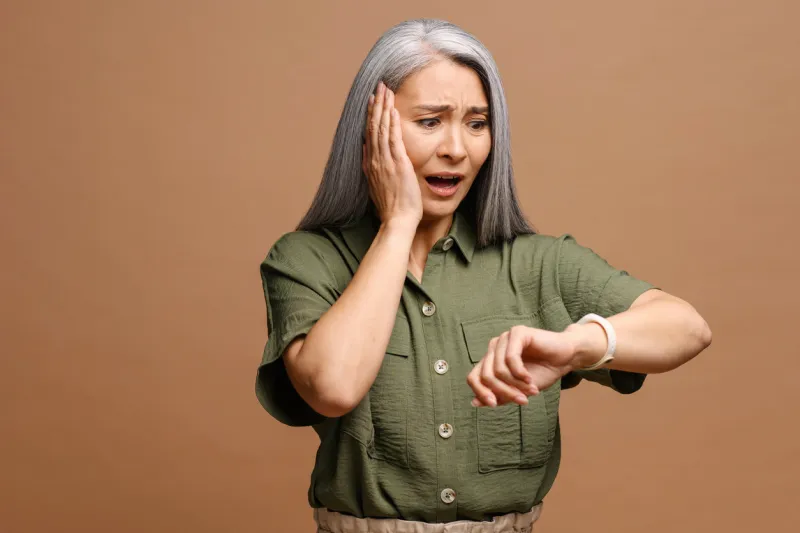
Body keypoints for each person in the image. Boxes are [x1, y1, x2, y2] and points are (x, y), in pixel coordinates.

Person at [255, 18, 712, 533]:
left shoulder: (538, 263)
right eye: (430, 121)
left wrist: (580, 345)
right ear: (371, 130)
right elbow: (331, 387)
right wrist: (398, 224)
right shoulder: (306, 260)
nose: (457, 148)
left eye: (477, 123)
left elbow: (688, 327)